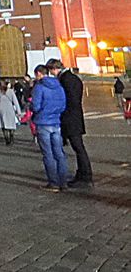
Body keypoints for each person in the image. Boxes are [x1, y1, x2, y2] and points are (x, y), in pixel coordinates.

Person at [48, 59, 93, 188]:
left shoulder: (66, 80)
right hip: (75, 117)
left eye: (52, 71)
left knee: (78, 148)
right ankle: (82, 173)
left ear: (54, 69)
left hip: (70, 118)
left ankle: (85, 175)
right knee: (78, 147)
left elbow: (69, 100)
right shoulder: (73, 78)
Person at [31, 64, 68, 191]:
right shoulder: (59, 86)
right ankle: (63, 181)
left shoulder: (39, 87)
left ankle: (53, 182)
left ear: (39, 74)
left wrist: (33, 109)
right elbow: (63, 105)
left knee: (48, 154)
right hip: (56, 122)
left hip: (43, 122)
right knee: (59, 153)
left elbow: (35, 106)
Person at [0, 80, 21, 145]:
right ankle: (11, 137)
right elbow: (15, 102)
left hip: (1, 109)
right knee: (11, 124)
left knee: (3, 125)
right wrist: (18, 111)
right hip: (9, 108)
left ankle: (7, 139)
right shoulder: (11, 91)